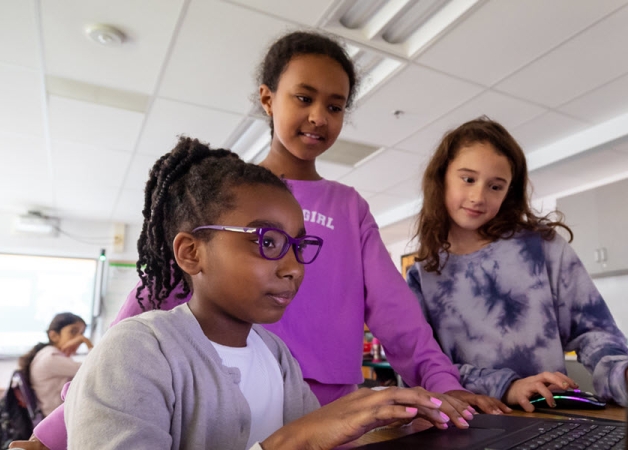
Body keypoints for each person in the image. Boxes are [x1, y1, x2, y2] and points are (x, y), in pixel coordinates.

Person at [18, 29, 506, 450]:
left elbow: (398, 316)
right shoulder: (223, 196)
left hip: (328, 404)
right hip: (217, 403)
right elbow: (141, 316)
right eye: (303, 97)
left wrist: (442, 387)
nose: (318, 116)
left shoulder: (349, 206)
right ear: (268, 98)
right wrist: (53, 433)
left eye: (334, 106)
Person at [58, 138, 455, 449]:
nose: (293, 267)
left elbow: (320, 432)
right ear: (191, 253)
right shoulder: (138, 352)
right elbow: (303, 438)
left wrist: (385, 419)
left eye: (299, 247)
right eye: (267, 241)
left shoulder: (275, 355)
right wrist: (292, 442)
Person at [407, 117, 628, 412]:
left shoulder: (544, 247)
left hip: (548, 418)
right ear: (441, 177)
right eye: (468, 179)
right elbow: (422, 370)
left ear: (509, 192)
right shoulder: (422, 276)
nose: (478, 196)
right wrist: (506, 386)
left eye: (495, 186)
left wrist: (624, 376)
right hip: (466, 424)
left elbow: (595, 331)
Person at [17, 313, 92, 416]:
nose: (79, 338)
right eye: (73, 332)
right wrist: (87, 342)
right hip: (58, 419)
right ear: (54, 336)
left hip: (56, 416)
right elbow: (95, 369)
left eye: (82, 333)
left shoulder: (48, 354)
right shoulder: (51, 357)